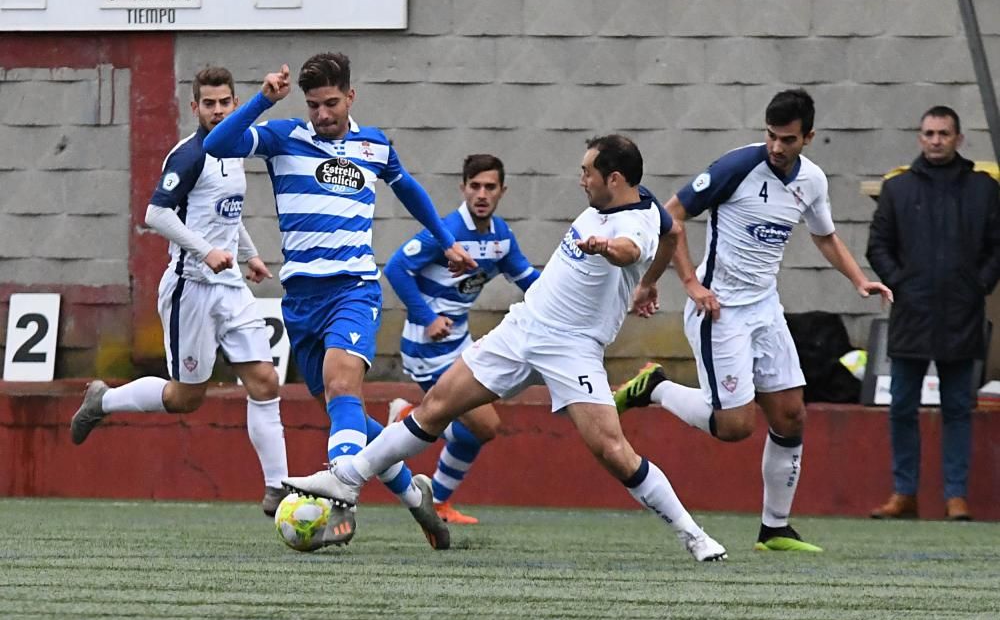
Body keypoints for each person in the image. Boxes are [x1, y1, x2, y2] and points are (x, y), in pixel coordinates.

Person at [284, 134, 731, 562]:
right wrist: (651, 285)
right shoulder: (644, 200)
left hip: (571, 347)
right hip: (522, 327)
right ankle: (347, 478)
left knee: (613, 452)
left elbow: (630, 249)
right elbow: (673, 230)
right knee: (437, 407)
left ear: (614, 178)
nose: (581, 180)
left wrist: (606, 249)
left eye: (587, 172)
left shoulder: (633, 224)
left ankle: (694, 535)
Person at [202, 53, 476, 549]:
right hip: (302, 298)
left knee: (343, 384)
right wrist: (264, 100)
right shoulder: (285, 135)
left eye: (331, 103)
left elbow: (407, 188)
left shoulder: (374, 145)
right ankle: (416, 497)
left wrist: (446, 239)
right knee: (342, 410)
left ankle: (339, 504)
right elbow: (217, 143)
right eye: (314, 105)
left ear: (351, 96)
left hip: (354, 287)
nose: (322, 114)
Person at [614, 89, 892, 551]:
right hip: (718, 309)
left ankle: (774, 528)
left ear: (808, 138)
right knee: (736, 427)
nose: (776, 147)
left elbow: (825, 237)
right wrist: (690, 285)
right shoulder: (736, 167)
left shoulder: (813, 181)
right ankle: (656, 387)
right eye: (770, 136)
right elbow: (671, 216)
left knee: (790, 415)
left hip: (765, 308)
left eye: (787, 139)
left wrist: (859, 281)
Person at [70, 67, 290, 516]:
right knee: (186, 396)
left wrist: (248, 254)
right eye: (208, 103)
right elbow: (157, 214)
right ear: (195, 107)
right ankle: (103, 400)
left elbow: (227, 213)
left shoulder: (235, 150)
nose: (217, 110)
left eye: (224, 102)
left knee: (265, 381)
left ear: (234, 103)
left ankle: (277, 488)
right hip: (190, 289)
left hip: (230, 288)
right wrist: (206, 250)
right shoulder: (188, 155)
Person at [384, 153, 540, 524]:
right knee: (485, 425)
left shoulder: (501, 236)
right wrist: (426, 317)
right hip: (427, 347)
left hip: (461, 345)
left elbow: (530, 282)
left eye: (490, 187)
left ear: (503, 191)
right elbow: (395, 268)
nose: (482, 194)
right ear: (463, 188)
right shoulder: (446, 230)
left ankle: (437, 502)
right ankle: (411, 417)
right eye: (475, 186)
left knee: (476, 433)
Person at [866, 106, 1000, 521]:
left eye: (944, 133)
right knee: (902, 406)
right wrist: (899, 283)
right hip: (912, 312)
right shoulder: (899, 188)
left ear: (959, 139)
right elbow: (878, 245)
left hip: (962, 313)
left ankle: (955, 496)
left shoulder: (983, 188)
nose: (936, 140)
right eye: (929, 133)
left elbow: (997, 246)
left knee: (958, 408)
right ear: (920, 138)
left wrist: (978, 284)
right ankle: (904, 494)